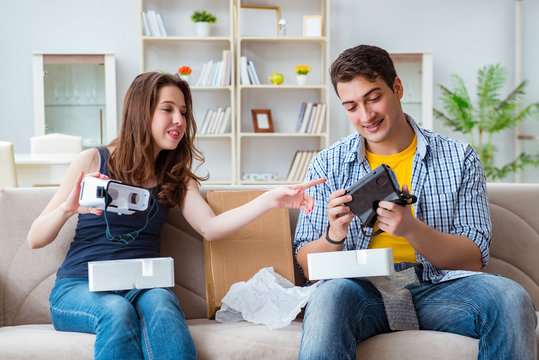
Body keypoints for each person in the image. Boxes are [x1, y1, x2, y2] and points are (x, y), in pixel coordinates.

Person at [27, 72, 325, 360]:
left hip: (142, 285)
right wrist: (67, 208)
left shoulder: (176, 176)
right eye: (167, 109)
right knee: (116, 312)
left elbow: (210, 227)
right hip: (79, 286)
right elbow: (34, 238)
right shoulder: (94, 159)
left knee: (163, 302)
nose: (179, 121)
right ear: (140, 113)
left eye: (183, 112)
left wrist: (269, 199)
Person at [293, 44, 537, 359]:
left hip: (438, 289)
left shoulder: (459, 158)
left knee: (510, 298)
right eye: (351, 106)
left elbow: (473, 259)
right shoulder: (328, 165)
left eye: (373, 98)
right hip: (361, 291)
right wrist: (334, 235)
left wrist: (410, 228)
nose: (366, 116)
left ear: (397, 87)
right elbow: (308, 267)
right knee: (327, 297)